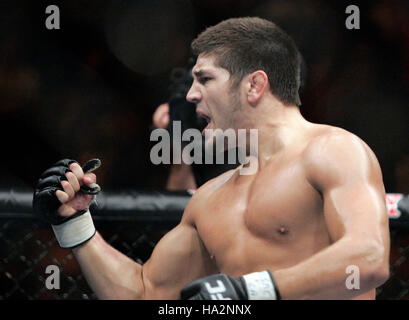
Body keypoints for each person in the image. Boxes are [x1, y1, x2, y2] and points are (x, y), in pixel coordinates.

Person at [33, 17, 390, 300]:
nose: (190, 95)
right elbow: (146, 293)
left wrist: (250, 290)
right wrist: (75, 223)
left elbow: (368, 260)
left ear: (254, 86)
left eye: (205, 79)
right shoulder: (209, 199)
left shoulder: (334, 150)